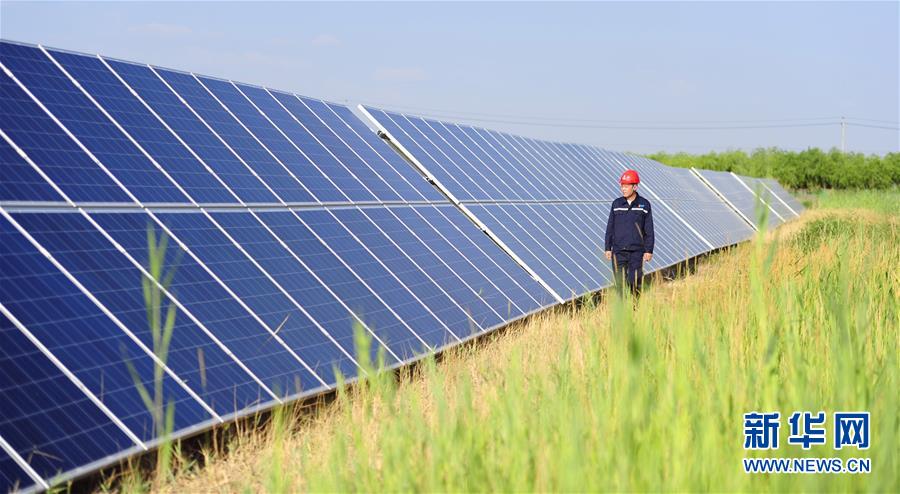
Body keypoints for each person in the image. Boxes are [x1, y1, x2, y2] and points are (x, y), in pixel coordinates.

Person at [604, 169, 654, 296]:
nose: (623, 189)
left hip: (636, 252)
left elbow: (649, 229)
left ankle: (635, 308)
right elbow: (610, 227)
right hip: (618, 251)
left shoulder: (644, 205)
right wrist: (607, 248)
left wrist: (649, 250)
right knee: (619, 284)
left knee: (634, 282)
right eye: (622, 186)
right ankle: (622, 310)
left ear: (635, 186)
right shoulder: (616, 204)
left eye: (626, 186)